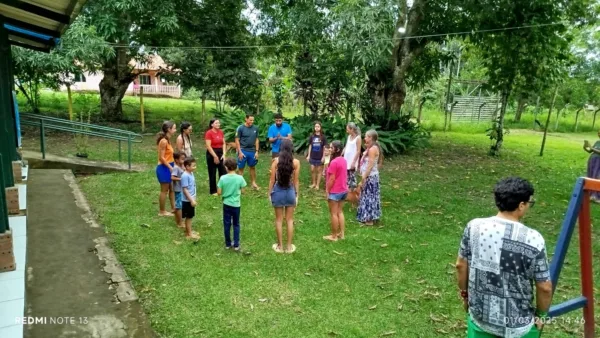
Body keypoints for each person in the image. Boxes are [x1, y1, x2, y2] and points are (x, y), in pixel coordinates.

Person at [456, 177, 553, 338]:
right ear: (521, 205)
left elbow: (460, 266)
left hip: (481, 321)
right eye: (529, 203)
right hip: (519, 327)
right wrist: (541, 315)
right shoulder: (534, 239)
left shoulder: (474, 227)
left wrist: (465, 296)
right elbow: (545, 287)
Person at [268, 139, 300, 253]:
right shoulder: (296, 162)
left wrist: (269, 194)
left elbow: (272, 180)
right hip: (290, 192)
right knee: (290, 220)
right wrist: (297, 195)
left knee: (278, 220)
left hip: (278, 191)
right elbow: (296, 181)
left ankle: (280, 246)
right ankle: (289, 246)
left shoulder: (276, 161)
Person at [218, 158, 247, 251]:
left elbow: (219, 192)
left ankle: (227, 244)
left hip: (226, 203)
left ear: (226, 167)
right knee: (236, 224)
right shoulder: (240, 178)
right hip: (236, 204)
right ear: (236, 167)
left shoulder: (222, 178)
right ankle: (236, 245)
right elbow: (243, 191)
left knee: (226, 224)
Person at [356, 130, 381, 225]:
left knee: (369, 197)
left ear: (370, 138)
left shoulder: (372, 149)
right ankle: (367, 217)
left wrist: (363, 178)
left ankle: (369, 219)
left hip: (370, 177)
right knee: (366, 196)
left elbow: (370, 166)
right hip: (370, 176)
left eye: (366, 136)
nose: (364, 138)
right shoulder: (371, 148)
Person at [324, 141, 348, 241]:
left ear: (336, 149)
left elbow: (332, 179)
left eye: (331, 147)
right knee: (340, 212)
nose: (329, 149)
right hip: (343, 190)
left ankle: (334, 236)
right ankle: (341, 234)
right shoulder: (343, 160)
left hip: (335, 192)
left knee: (333, 213)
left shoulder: (334, 162)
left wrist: (327, 190)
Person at [155, 121, 177, 217]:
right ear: (169, 129)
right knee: (164, 190)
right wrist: (170, 167)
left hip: (169, 165)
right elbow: (161, 157)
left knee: (172, 189)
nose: (175, 130)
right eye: (174, 128)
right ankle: (162, 211)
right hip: (164, 168)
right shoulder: (163, 141)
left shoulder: (168, 140)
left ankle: (174, 208)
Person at [235, 114, 260, 189]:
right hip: (243, 150)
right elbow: (237, 140)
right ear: (246, 119)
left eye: (253, 120)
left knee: (252, 167)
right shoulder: (240, 128)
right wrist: (240, 152)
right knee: (241, 168)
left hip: (252, 150)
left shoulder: (255, 128)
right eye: (250, 120)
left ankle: (253, 183)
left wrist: (257, 151)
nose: (252, 121)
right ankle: (240, 185)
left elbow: (257, 140)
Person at [205, 118, 227, 195]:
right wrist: (214, 156)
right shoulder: (209, 133)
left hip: (220, 152)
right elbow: (208, 146)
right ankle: (213, 191)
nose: (218, 124)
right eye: (216, 123)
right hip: (212, 152)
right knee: (212, 172)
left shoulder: (221, 132)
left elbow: (224, 143)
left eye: (219, 123)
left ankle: (222, 188)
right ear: (212, 125)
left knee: (223, 171)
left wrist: (224, 154)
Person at [181, 158, 200, 240]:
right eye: (193, 166)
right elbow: (185, 190)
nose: (195, 167)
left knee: (190, 216)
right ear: (187, 166)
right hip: (187, 200)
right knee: (189, 217)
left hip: (191, 199)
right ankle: (189, 234)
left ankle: (190, 231)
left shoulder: (190, 173)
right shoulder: (185, 176)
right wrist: (191, 200)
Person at [306, 122, 327, 190]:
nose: (316, 128)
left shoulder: (323, 137)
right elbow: (310, 146)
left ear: (320, 128)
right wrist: (308, 155)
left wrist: (323, 157)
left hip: (320, 156)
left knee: (319, 170)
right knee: (312, 170)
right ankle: (314, 183)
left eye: (318, 126)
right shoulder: (312, 136)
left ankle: (317, 185)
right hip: (312, 155)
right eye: (315, 126)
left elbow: (324, 147)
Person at [342, 122, 361, 191]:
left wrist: (354, 162)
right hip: (346, 158)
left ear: (352, 129)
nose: (346, 130)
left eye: (347, 129)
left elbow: (358, 151)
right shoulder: (349, 137)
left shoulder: (358, 138)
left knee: (352, 175)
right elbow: (347, 146)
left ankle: (353, 192)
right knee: (346, 174)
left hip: (353, 159)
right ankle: (346, 190)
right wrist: (342, 152)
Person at [171, 152, 186, 228]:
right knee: (179, 206)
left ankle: (177, 218)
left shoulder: (181, 167)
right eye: (182, 159)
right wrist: (181, 179)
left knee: (179, 205)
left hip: (181, 189)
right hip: (178, 189)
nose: (184, 160)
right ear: (176, 160)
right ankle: (180, 222)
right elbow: (172, 177)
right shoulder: (176, 168)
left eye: (184, 158)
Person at [584, 133, 600, 202]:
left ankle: (597, 196)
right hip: (592, 160)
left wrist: (592, 148)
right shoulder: (597, 142)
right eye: (599, 133)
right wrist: (585, 147)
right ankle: (591, 195)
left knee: (597, 176)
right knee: (591, 175)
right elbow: (590, 151)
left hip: (599, 161)